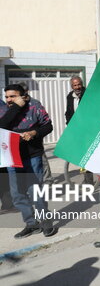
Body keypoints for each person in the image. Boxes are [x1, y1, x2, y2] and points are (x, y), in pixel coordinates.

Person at [1, 83, 58, 238]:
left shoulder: (34, 106)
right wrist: (16, 107)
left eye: (12, 96)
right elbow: (2, 125)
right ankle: (31, 224)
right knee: (17, 193)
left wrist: (34, 132)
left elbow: (48, 126)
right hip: (12, 157)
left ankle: (46, 222)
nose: (8, 99)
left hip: (32, 156)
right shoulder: (4, 108)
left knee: (35, 191)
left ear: (23, 94)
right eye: (6, 96)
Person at [64, 76, 93, 184]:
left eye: (79, 84)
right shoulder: (70, 96)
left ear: (82, 83)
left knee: (89, 154)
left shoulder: (89, 94)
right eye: (75, 85)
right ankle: (88, 180)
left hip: (89, 129)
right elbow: (68, 112)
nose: (77, 87)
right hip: (77, 130)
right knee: (82, 155)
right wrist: (69, 125)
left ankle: (91, 180)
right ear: (72, 86)